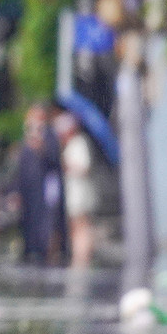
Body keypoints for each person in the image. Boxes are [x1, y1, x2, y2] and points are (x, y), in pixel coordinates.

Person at [3, 104, 63, 264]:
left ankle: (46, 253)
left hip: (44, 192)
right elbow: (18, 171)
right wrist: (14, 192)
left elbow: (54, 161)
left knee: (45, 226)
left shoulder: (50, 136)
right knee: (27, 225)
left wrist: (40, 145)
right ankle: (29, 252)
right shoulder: (24, 141)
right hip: (27, 192)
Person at [54, 110, 96, 268]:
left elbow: (84, 167)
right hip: (73, 191)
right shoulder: (70, 144)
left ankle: (82, 255)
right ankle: (79, 254)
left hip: (79, 191)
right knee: (75, 224)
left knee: (81, 224)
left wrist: (66, 166)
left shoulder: (79, 143)